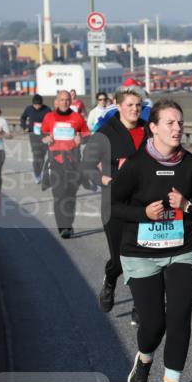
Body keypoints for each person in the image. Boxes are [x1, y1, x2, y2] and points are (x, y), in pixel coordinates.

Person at [115, 100, 192, 382]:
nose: (177, 128)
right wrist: (143, 212)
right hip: (141, 253)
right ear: (153, 128)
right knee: (154, 322)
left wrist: (187, 206)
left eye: (180, 123)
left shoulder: (191, 166)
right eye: (169, 123)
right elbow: (112, 208)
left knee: (180, 317)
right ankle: (144, 360)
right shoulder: (135, 165)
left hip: (183, 251)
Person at [82, 84, 148, 321]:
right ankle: (110, 280)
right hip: (115, 203)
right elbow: (87, 167)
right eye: (129, 105)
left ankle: (139, 306)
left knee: (141, 257)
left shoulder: (149, 130)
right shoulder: (105, 133)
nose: (134, 109)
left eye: (138, 105)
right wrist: (104, 178)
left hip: (144, 205)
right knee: (120, 260)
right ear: (118, 106)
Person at [41, 90, 90, 238]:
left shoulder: (77, 117)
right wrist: (45, 139)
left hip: (73, 161)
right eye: (62, 99)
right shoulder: (49, 117)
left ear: (71, 101)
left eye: (67, 100)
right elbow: (42, 134)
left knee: (70, 194)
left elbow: (87, 134)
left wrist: (81, 140)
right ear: (57, 101)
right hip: (56, 161)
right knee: (59, 194)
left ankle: (68, 223)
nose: (64, 102)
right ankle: (63, 227)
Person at [19, 94, 51, 183]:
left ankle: (40, 171)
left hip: (44, 135)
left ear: (42, 104)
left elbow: (52, 121)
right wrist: (24, 126)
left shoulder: (47, 109)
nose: (37, 107)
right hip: (33, 135)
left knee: (42, 155)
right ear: (33, 104)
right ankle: (37, 174)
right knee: (36, 155)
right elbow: (23, 118)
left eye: (39, 105)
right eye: (35, 105)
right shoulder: (28, 109)